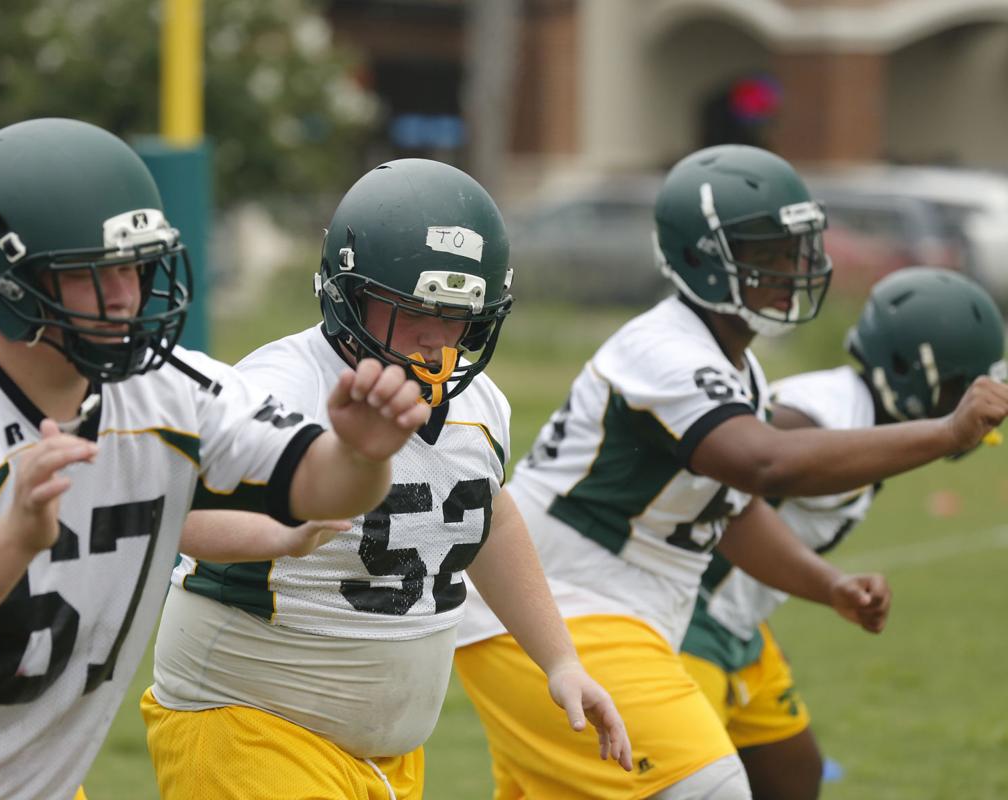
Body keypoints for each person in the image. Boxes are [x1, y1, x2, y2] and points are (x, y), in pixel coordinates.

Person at [0, 117, 432, 800]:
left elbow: (322, 486)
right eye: (94, 274)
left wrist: (365, 454)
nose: (129, 296)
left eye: (137, 266)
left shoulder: (170, 391)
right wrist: (8, 541)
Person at [453, 144, 1008, 799]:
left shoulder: (733, 364)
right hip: (562, 613)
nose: (793, 268)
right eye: (768, 253)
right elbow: (765, 463)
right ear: (701, 261)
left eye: (797, 248)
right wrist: (946, 431)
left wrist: (827, 586)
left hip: (596, 611)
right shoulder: (665, 350)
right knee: (713, 789)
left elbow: (730, 513)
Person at [141, 158, 632, 800]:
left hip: (387, 759)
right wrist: (278, 534)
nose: (436, 340)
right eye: (411, 311)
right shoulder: (279, 389)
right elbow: (171, 516)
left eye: (459, 316)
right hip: (249, 721)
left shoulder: (483, 407)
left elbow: (488, 518)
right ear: (350, 296)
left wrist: (560, 659)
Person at [679, 266, 1006, 800]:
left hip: (736, 627)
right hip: (682, 619)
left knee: (793, 775)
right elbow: (736, 460)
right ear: (909, 371)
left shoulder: (860, 413)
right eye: (956, 387)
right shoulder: (822, 413)